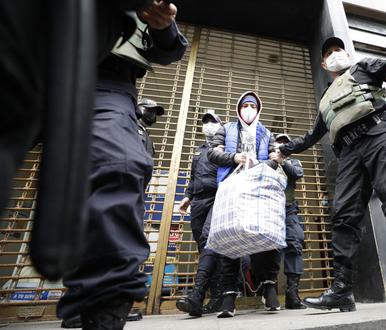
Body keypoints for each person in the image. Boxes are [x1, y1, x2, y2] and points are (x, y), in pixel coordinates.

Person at [56, 2, 188, 329]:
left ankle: (102, 303)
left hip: (105, 82)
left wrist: (163, 25)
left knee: (119, 165)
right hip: (30, 64)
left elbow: (170, 49)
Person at [278, 37, 386, 313]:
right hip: (348, 150)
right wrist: (283, 151)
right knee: (344, 215)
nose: (335, 54)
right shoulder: (325, 99)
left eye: (339, 50)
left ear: (346, 54)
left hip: (379, 133)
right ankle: (342, 290)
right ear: (323, 64)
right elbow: (312, 135)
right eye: (329, 53)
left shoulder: (362, 68)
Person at [207, 91, 281, 318]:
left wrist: (260, 163)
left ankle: (269, 290)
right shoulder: (226, 129)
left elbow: (275, 160)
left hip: (258, 188)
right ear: (238, 108)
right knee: (230, 236)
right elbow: (212, 154)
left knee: (262, 236)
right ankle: (229, 297)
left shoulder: (267, 133)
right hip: (232, 187)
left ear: (258, 109)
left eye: (253, 105)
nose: (248, 108)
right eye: (245, 105)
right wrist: (234, 158)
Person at [175, 112, 224, 317]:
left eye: (213, 121)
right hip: (198, 201)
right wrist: (187, 196)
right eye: (205, 122)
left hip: (217, 197)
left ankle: (198, 295)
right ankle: (216, 298)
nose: (208, 125)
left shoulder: (225, 146)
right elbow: (193, 176)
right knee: (204, 247)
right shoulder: (198, 150)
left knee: (208, 241)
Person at [272, 134, 306, 310]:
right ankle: (268, 292)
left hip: (289, 209)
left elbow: (297, 174)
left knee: (295, 244)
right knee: (269, 250)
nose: (282, 145)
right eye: (279, 142)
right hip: (268, 211)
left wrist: (282, 161)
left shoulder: (293, 162)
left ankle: (292, 294)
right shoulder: (266, 158)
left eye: (286, 143)